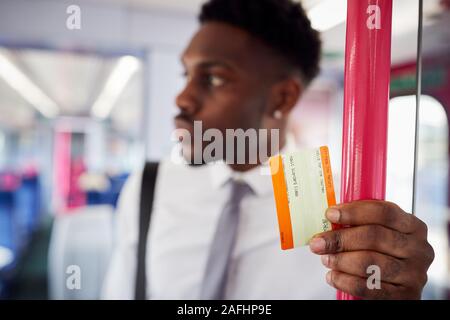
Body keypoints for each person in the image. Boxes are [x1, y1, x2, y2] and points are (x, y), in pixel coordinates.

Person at [102, 0, 434, 300]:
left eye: (214, 79)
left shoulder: (344, 212)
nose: (182, 98)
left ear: (282, 98)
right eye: (185, 74)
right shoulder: (147, 187)